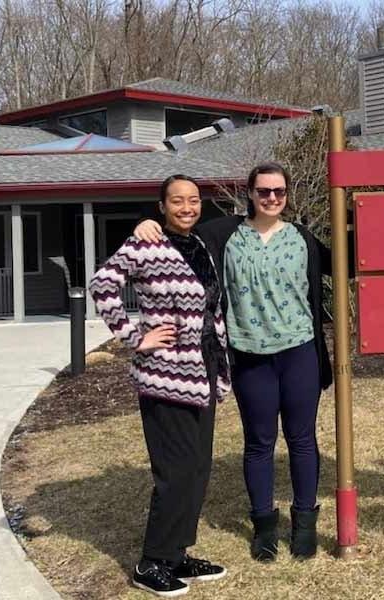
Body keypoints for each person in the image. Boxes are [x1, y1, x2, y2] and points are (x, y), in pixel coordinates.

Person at [135, 162, 334, 562]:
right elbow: (178, 235)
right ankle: (263, 526)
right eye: (263, 192)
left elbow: (350, 259)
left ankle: (304, 523)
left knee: (302, 439)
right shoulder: (223, 236)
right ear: (250, 194)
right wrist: (145, 225)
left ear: (287, 194)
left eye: (279, 191)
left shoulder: (304, 239)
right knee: (259, 443)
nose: (272, 198)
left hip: (299, 352)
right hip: (249, 355)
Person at [90, 174, 229, 597]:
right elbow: (102, 284)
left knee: (199, 468)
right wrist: (134, 337)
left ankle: (176, 553)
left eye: (193, 200)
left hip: (203, 367)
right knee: (176, 471)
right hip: (165, 374)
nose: (187, 207)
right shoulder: (146, 243)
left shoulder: (200, 242)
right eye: (177, 201)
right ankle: (151, 562)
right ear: (162, 205)